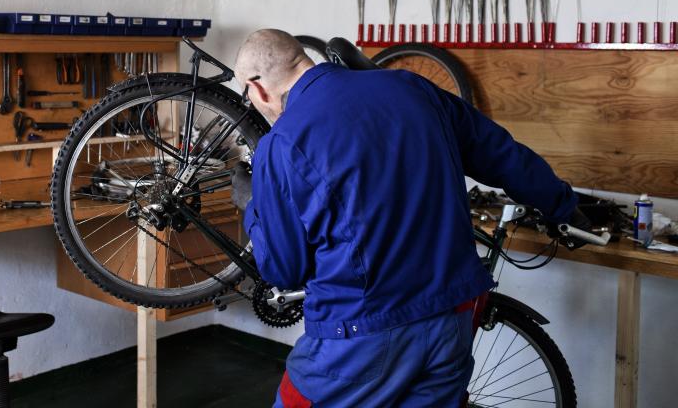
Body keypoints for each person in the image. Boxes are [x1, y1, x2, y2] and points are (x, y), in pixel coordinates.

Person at [230, 29, 584, 408]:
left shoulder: (282, 142)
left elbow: (284, 269)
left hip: (359, 331)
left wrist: (253, 206)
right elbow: (500, 153)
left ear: (258, 87)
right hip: (453, 317)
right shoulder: (412, 87)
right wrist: (563, 206)